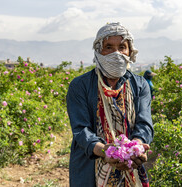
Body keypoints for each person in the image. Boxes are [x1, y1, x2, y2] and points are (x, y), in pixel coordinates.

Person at [66, 22, 154, 187]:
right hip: (89, 166)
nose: (116, 53)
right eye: (108, 47)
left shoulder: (139, 85)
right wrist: (105, 151)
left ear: (129, 51)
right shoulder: (80, 85)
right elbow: (81, 130)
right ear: (99, 50)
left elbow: (144, 123)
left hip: (131, 165)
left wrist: (136, 147)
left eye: (122, 47)